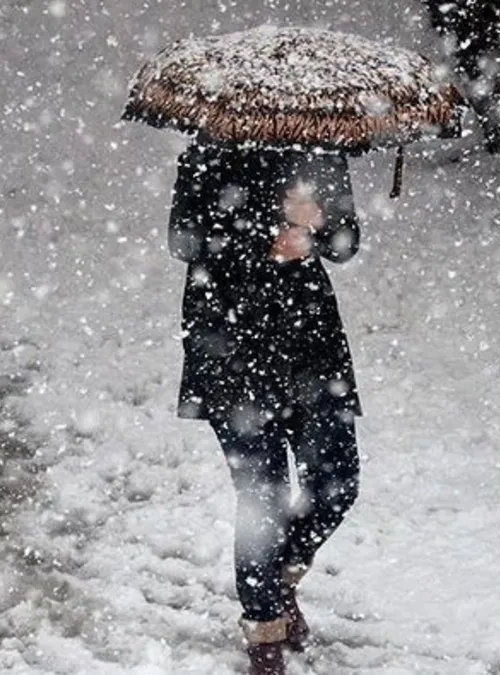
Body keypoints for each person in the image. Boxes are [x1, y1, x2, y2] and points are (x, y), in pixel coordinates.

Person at [168, 139, 362, 675]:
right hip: (230, 346)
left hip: (311, 348)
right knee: (263, 498)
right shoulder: (208, 152)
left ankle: (278, 578)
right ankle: (264, 632)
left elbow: (346, 243)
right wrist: (267, 231)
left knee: (337, 481)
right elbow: (185, 241)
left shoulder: (321, 148)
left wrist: (316, 226)